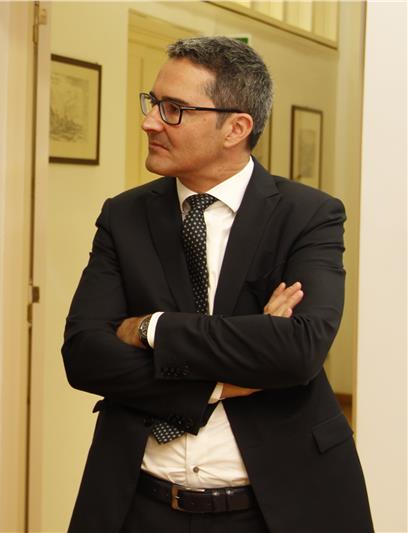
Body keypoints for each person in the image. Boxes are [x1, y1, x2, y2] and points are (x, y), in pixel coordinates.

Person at [63, 36, 372, 533]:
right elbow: (84, 355)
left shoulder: (308, 215)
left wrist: (150, 329)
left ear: (236, 128)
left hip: (276, 508)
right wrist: (226, 378)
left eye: (173, 109)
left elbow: (298, 351)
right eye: (152, 103)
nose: (150, 122)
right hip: (138, 504)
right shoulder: (124, 216)